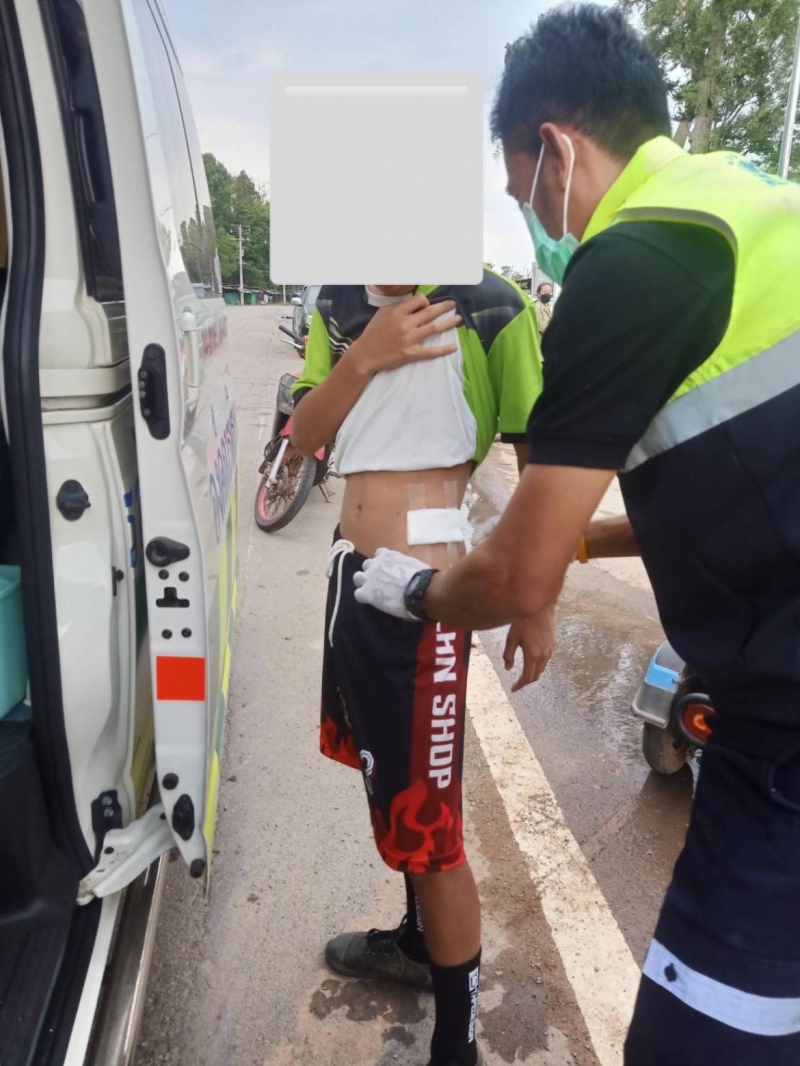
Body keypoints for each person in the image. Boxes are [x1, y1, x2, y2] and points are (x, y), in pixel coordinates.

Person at [352, 6, 800, 1065]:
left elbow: (510, 574)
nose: (534, 224)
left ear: (553, 149)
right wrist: (580, 548)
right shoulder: (753, 209)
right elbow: (738, 481)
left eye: (523, 195)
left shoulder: (636, 256)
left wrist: (415, 593)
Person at [290, 275, 547, 1066]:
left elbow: (539, 463)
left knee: (432, 832)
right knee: (388, 784)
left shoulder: (492, 304)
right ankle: (414, 943)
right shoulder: (337, 302)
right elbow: (304, 435)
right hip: (351, 581)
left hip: (424, 605)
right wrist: (362, 357)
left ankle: (456, 1044)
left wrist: (537, 599)